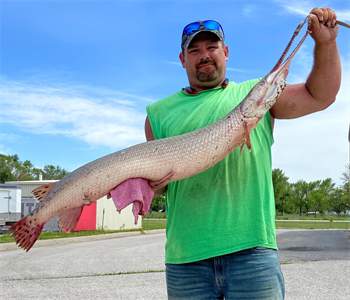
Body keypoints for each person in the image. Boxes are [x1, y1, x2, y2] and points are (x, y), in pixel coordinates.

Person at [144, 7, 341, 300]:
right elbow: (161, 187)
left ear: (226, 52)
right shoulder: (157, 114)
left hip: (253, 254)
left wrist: (326, 43)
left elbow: (320, 96)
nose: (205, 54)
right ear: (183, 59)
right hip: (186, 260)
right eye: (194, 50)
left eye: (212, 47)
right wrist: (146, 185)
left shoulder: (256, 94)